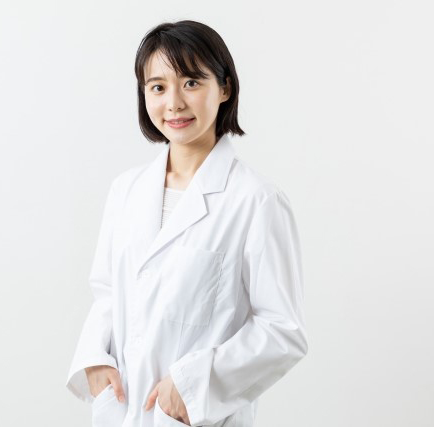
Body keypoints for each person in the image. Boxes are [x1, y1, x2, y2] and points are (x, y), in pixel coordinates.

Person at [66, 20, 308, 427]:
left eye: (191, 83)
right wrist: (93, 358)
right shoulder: (126, 190)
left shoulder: (256, 200)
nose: (174, 103)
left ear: (224, 88)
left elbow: (283, 330)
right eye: (158, 87)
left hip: (195, 416)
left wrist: (194, 384)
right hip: (123, 409)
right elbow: (108, 292)